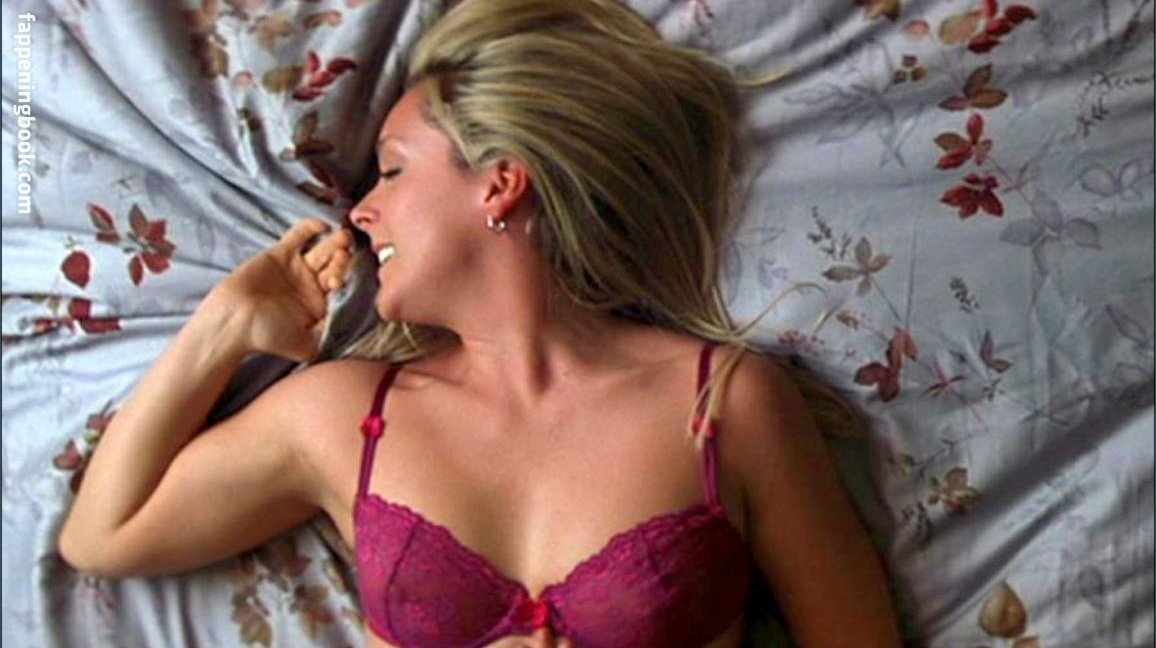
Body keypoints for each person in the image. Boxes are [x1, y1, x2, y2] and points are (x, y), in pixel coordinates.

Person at [59, 0, 904, 646]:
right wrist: (224, 329)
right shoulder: (345, 416)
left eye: (392, 172)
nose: (362, 212)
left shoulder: (723, 405)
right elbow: (103, 536)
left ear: (500, 184)